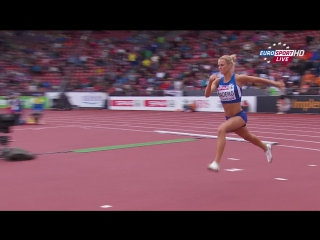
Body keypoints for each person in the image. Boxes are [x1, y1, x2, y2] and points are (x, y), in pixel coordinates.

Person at [205, 54, 284, 172]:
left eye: (222, 65)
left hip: (239, 116)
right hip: (229, 118)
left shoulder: (238, 79)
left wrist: (276, 84)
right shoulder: (217, 81)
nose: (220, 67)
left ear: (229, 65)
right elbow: (207, 95)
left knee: (221, 129)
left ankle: (216, 163)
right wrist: (210, 82)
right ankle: (266, 147)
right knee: (248, 137)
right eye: (218, 65)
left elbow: (258, 79)